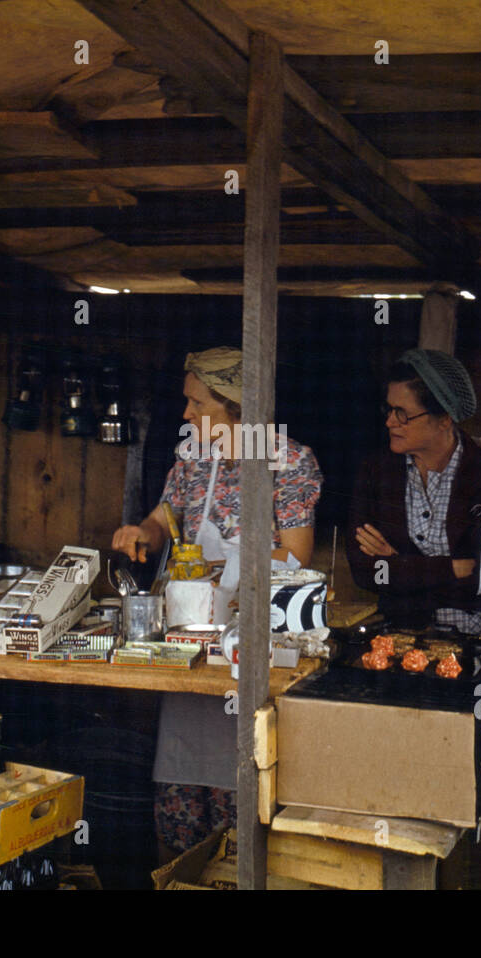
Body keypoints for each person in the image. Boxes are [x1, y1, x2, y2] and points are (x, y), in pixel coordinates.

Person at [111, 346, 322, 855]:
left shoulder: (289, 462)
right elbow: (166, 520)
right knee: (181, 779)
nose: (186, 415)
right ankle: (181, 875)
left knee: (242, 778)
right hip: (190, 639)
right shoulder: (192, 456)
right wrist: (140, 532)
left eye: (198, 404)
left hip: (250, 642)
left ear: (236, 408)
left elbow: (295, 555)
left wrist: (219, 565)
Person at [346, 349, 481, 631]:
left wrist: (400, 565)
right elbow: (365, 572)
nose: (390, 421)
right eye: (389, 409)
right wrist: (453, 568)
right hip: (400, 637)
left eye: (402, 414)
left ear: (444, 419)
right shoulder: (375, 473)